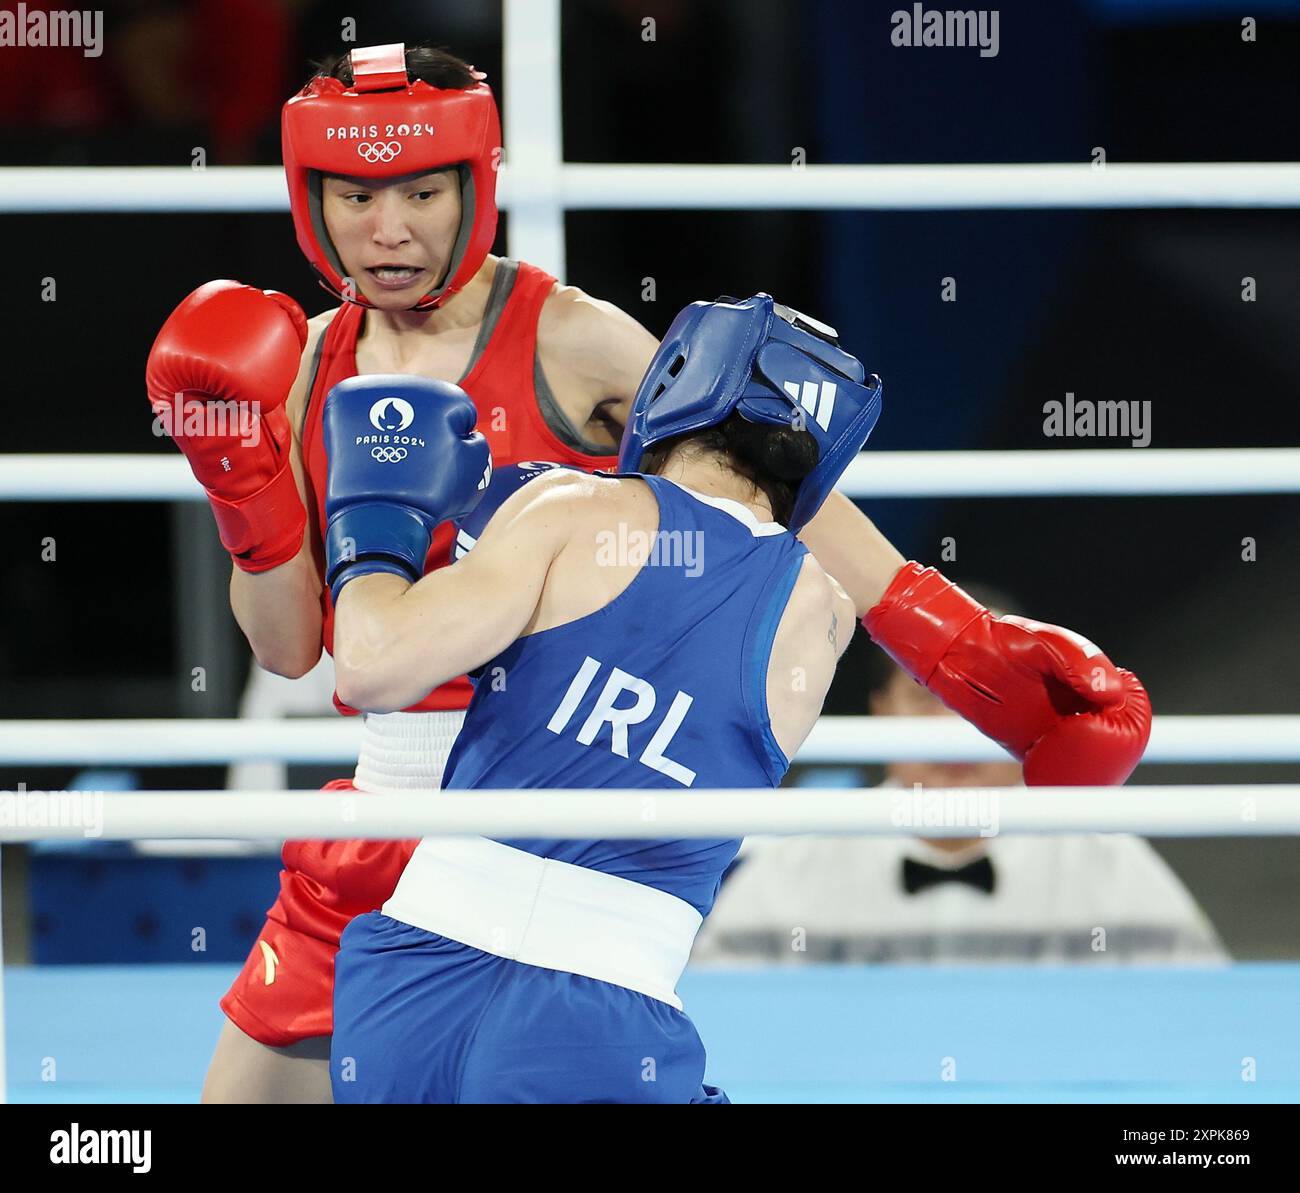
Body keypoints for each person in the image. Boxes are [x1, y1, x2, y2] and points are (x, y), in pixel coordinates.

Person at [144, 42, 1149, 1101]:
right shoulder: (298, 364)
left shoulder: (570, 340)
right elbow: (291, 645)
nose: (387, 229)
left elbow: (778, 482)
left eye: (421, 193)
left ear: (471, 188)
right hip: (388, 794)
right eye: (354, 196)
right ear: (312, 199)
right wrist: (241, 489)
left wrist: (968, 652)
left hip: (553, 798)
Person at [324, 293, 880, 1102]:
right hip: (605, 1016)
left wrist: (378, 523)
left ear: (676, 380)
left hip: (411, 984)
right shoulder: (823, 614)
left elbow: (369, 668)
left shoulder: (567, 511)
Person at [692, 585, 1226, 966]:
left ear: (1039, 715)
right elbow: (723, 1028)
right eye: (926, 698)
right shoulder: (793, 866)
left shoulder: (1107, 861)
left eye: (984, 702)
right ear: (880, 710)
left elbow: (1202, 1019)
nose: (951, 730)